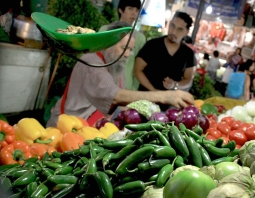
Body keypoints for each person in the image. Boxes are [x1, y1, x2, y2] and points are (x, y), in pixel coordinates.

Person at [46, 22, 194, 127]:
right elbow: (115, 96)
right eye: (124, 48)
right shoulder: (92, 61)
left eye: (130, 50)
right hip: (66, 128)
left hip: (88, 127)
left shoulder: (115, 64)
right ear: (109, 43)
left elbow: (121, 101)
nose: (127, 55)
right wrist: (164, 96)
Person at [134, 11, 196, 94]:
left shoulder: (188, 53)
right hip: (144, 98)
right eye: (172, 26)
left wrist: (175, 84)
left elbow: (188, 79)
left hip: (169, 102)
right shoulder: (152, 45)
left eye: (180, 29)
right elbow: (137, 70)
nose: (173, 32)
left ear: (187, 32)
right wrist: (154, 91)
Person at [98, 0, 146, 91]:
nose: (134, 13)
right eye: (130, 9)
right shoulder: (105, 30)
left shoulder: (140, 38)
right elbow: (96, 57)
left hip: (126, 88)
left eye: (137, 10)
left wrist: (133, 89)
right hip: (102, 84)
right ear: (120, 9)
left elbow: (139, 67)